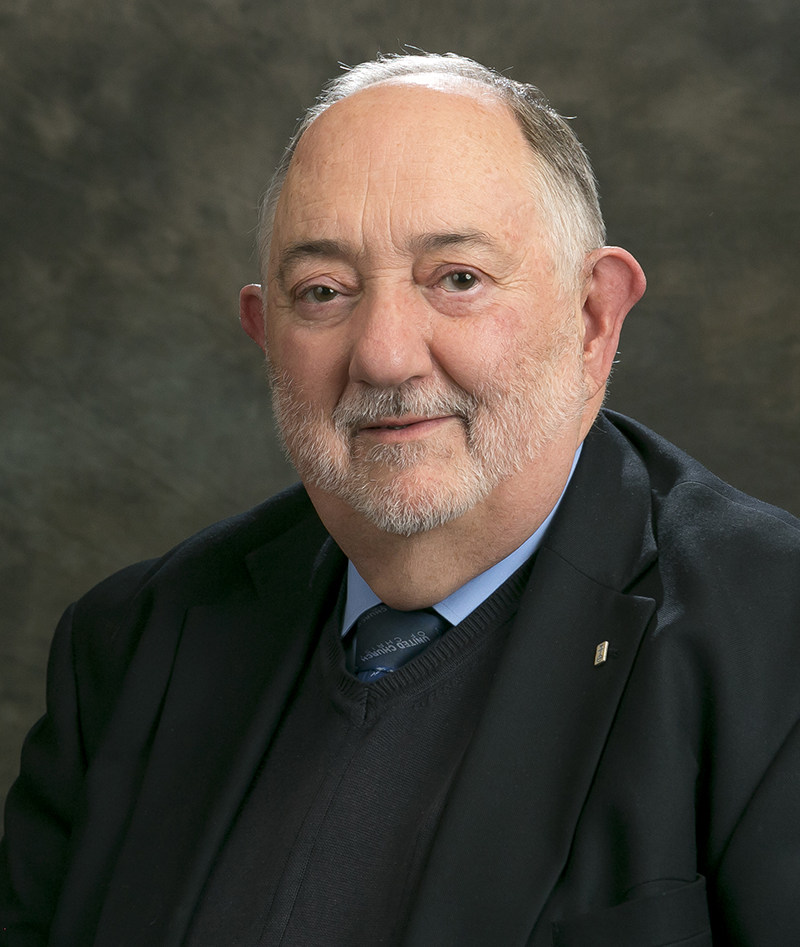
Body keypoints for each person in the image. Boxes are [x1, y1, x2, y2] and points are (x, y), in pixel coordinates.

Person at [1, 53, 799, 947]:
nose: (383, 356)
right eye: (325, 293)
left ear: (591, 318)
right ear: (267, 338)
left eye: (456, 278)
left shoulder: (777, 641)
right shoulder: (131, 647)